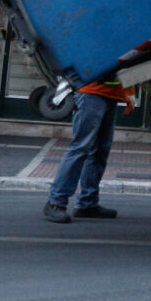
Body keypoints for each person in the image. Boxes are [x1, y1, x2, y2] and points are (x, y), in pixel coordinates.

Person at [43, 81, 135, 223]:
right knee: (80, 147)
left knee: (99, 150)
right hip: (91, 92)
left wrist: (128, 94)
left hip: (110, 94)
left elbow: (123, 66)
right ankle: (55, 203)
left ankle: (87, 204)